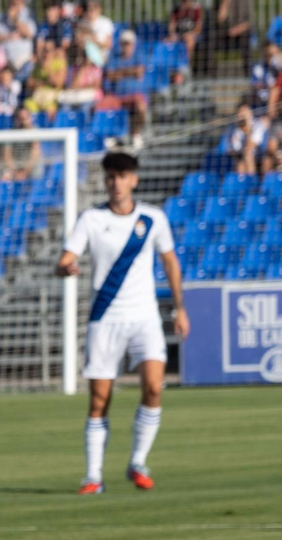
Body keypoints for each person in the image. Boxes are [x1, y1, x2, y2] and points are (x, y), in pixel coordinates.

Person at [56, 152, 187, 495]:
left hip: (144, 316)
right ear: (106, 180)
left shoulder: (153, 218)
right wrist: (66, 267)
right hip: (105, 317)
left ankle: (138, 461)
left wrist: (180, 308)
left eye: (123, 176)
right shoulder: (91, 219)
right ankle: (93, 476)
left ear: (134, 180)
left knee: (154, 387)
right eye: (111, 176)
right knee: (100, 398)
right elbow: (65, 259)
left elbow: (170, 262)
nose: (116, 183)